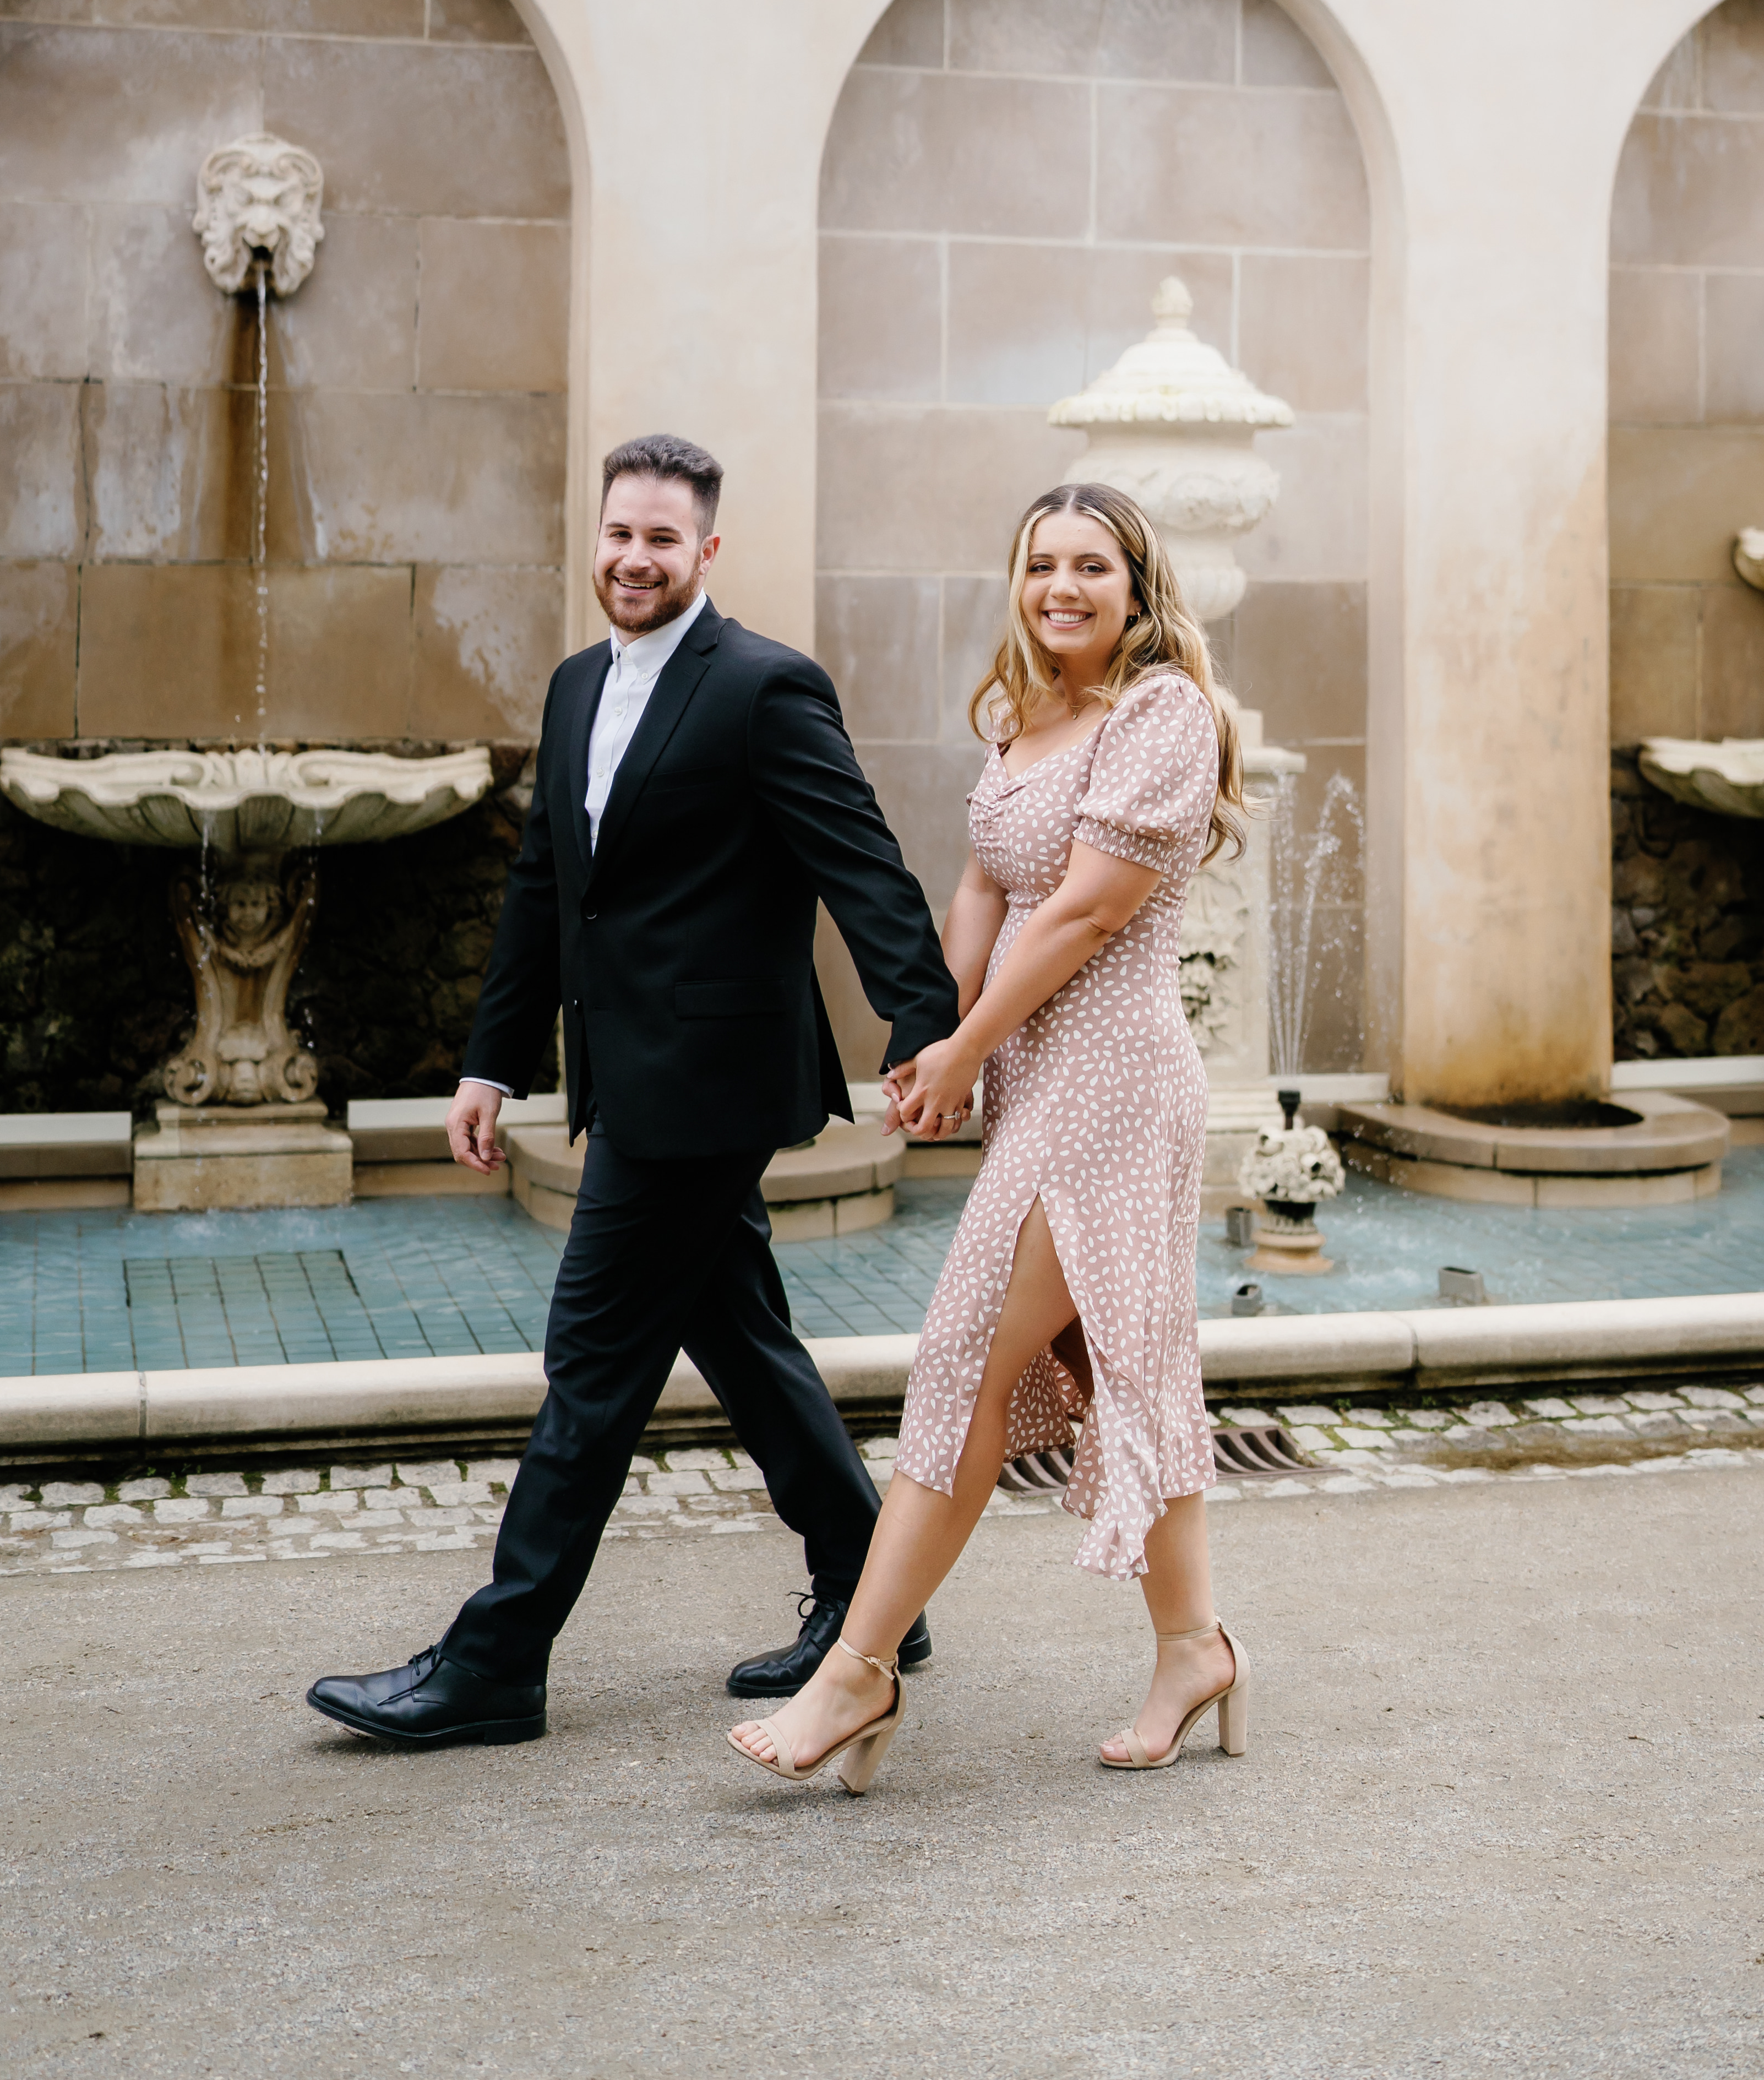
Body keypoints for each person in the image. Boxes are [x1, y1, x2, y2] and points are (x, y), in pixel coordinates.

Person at [307, 431, 960, 1751]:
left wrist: (926, 1024)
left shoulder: (766, 688)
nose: (634, 557)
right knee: (739, 1337)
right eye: (618, 534)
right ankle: (869, 1591)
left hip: (712, 1081)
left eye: (662, 538)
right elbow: (548, 887)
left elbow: (862, 863)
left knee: (591, 1363)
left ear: (705, 551)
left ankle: (495, 1662)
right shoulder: (570, 688)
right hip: (624, 1074)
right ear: (595, 541)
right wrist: (493, 1057)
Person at [729, 479, 1250, 1793]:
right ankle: (1193, 1648)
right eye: (1038, 566)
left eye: (1088, 566)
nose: (1060, 587)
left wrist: (969, 1047)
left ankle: (855, 1669)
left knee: (957, 1360)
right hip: (1036, 1085)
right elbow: (979, 881)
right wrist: (933, 1041)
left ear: (1137, 585)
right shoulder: (1026, 714)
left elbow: (1081, 914)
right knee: (1122, 1368)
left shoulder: (1163, 713)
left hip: (1114, 1086)